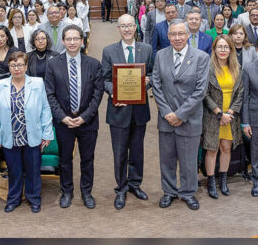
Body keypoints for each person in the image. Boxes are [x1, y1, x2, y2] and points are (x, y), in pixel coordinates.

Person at [152, 19, 209, 211]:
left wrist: (181, 114)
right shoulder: (160, 55)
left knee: (188, 160)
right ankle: (169, 191)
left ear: (187, 35)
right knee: (167, 159)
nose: (177, 38)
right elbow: (157, 86)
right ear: (168, 36)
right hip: (166, 119)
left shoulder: (201, 57)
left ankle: (187, 192)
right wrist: (168, 113)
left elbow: (200, 90)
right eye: (173, 34)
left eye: (180, 34)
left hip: (190, 119)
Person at [45, 25, 104, 209]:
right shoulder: (53, 63)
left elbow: (98, 93)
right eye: (68, 39)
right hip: (64, 123)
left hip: (87, 122)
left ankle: (86, 192)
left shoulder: (93, 64)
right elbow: (50, 94)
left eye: (75, 38)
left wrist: (85, 117)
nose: (72, 42)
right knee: (65, 159)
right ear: (63, 41)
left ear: (82, 40)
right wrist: (62, 117)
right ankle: (67, 191)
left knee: (87, 159)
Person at [101, 14, 153, 210]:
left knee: (137, 151)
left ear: (135, 27)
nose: (127, 29)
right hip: (118, 110)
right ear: (118, 29)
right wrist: (115, 93)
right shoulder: (109, 51)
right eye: (123, 26)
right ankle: (121, 188)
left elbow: (153, 73)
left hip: (140, 110)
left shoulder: (146, 49)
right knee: (120, 152)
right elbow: (104, 79)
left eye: (130, 25)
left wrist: (149, 82)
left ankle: (135, 184)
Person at [0, 51, 53, 213]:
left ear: (26, 66)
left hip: (32, 134)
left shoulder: (37, 83)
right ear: (9, 67)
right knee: (14, 170)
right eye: (13, 65)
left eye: (20, 65)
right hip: (10, 136)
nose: (16, 68)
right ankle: (13, 199)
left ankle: (34, 199)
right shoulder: (0, 85)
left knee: (33, 170)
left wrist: (47, 134)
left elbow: (45, 108)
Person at [202, 35, 243, 199]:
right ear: (214, 49)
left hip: (230, 117)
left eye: (226, 47)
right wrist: (219, 113)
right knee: (212, 149)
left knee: (226, 148)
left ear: (231, 49)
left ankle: (223, 180)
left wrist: (230, 113)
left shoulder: (236, 68)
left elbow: (240, 93)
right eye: (220, 47)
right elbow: (204, 95)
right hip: (213, 115)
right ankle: (211, 181)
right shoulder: (208, 68)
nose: (223, 50)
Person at [242, 35, 258, 197]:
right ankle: (257, 180)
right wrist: (245, 122)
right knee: (256, 151)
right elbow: (244, 98)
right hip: (256, 115)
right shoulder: (249, 68)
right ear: (257, 50)